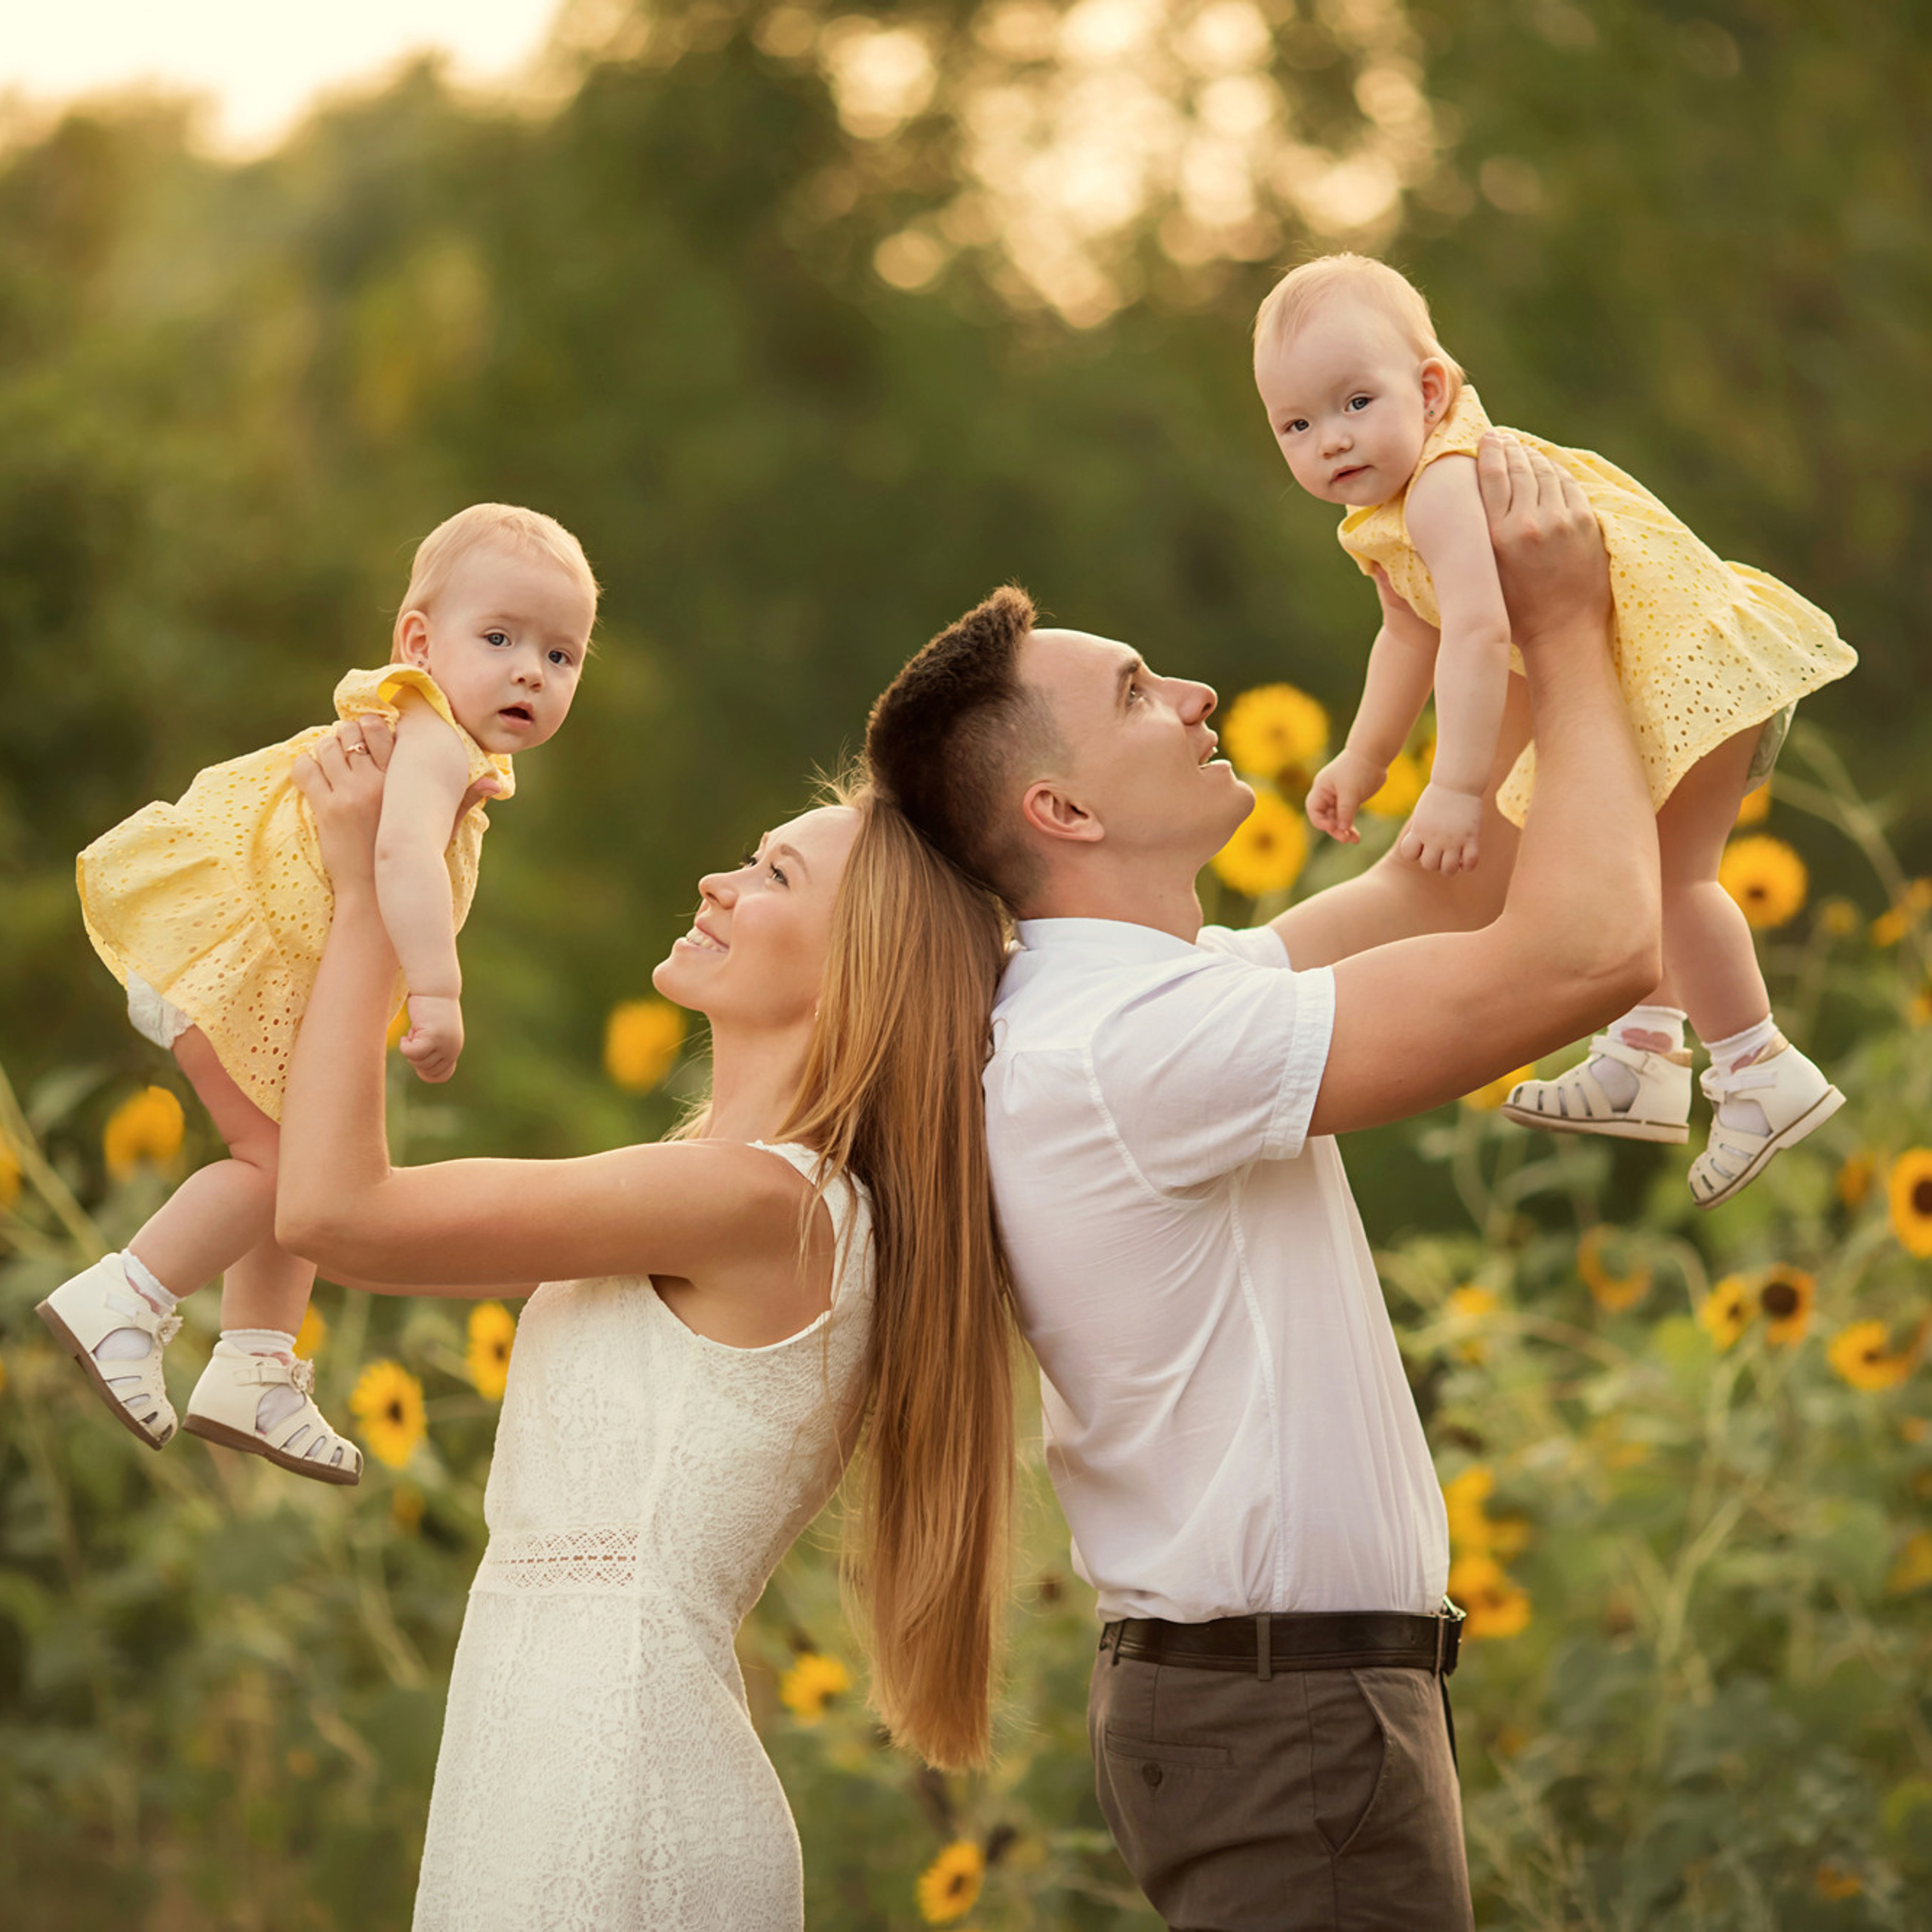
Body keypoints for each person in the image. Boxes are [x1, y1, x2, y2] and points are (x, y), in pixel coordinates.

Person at [863, 436, 1660, 1930]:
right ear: (1063, 813)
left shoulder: (1141, 1001)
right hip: (1287, 1712)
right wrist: (1555, 628)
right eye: (1135, 693)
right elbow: (1589, 951)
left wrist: (1504, 627)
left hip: (1285, 1702)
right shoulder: (1133, 1043)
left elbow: (1451, 880)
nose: (1195, 696)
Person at [272, 724, 1016, 1930]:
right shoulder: (722, 1185)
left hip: (614, 1780)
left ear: (859, 971)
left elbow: (333, 1212)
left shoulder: (761, 1200)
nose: (719, 881)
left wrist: (372, 898)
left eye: (775, 875)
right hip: (543, 1745)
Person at [1253, 254, 1855, 1207]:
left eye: (1356, 402)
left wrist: (1453, 791)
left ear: (1431, 388)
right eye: (1296, 424)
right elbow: (1404, 636)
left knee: (1667, 878)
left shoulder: (1446, 482)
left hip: (1684, 667)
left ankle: (1757, 1069)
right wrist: (1361, 759)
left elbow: (1482, 632)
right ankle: (1644, 1061)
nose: (1330, 440)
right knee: (1629, 865)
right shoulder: (1384, 516)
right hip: (1640, 678)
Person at [38, 503, 598, 1481]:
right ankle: (127, 1297)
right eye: (501, 638)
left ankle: (256, 1364)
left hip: (275, 970)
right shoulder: (432, 735)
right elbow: (397, 857)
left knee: (306, 1165)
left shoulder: (450, 745)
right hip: (242, 958)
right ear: (419, 641)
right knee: (276, 1165)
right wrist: (437, 989)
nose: (529, 672)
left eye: (562, 657)